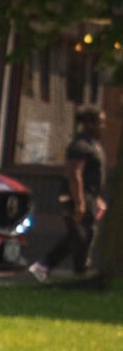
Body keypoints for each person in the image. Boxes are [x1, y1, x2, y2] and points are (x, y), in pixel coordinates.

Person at [48, 107, 107, 277]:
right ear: (89, 123)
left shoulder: (93, 145)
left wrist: (96, 199)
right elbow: (75, 174)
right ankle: (79, 270)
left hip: (89, 197)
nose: (103, 126)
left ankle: (43, 269)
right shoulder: (80, 146)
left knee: (78, 236)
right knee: (83, 235)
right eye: (100, 122)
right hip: (75, 197)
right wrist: (79, 202)